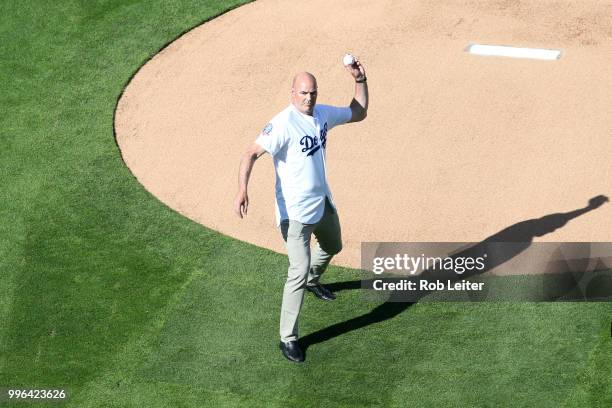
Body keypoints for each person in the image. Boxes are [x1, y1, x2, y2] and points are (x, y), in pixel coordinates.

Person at [233, 58, 369, 363]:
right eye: (304, 93)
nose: (309, 99)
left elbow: (358, 112)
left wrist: (360, 80)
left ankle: (313, 279)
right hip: (294, 214)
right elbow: (250, 153)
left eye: (313, 93)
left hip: (321, 203)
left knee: (334, 245)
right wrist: (242, 189)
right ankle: (288, 338)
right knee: (297, 268)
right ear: (293, 93)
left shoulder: (321, 115)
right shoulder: (282, 124)